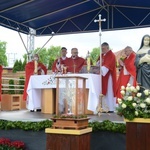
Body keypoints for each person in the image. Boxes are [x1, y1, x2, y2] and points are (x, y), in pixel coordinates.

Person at [96, 42, 117, 113]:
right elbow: (97, 63)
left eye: (103, 48)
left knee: (109, 91)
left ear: (107, 48)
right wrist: (98, 64)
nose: (102, 50)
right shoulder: (101, 55)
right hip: (102, 76)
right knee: (102, 90)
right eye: (101, 48)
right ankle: (103, 107)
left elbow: (107, 66)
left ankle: (110, 108)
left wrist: (101, 68)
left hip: (109, 76)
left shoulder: (111, 55)